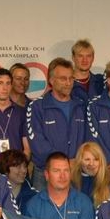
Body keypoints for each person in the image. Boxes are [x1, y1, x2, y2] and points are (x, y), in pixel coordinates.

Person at [26, 58, 87, 189]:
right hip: (45, 174)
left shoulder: (81, 106)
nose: (68, 83)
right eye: (63, 79)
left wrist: (78, 162)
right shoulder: (37, 107)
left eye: (71, 78)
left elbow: (87, 140)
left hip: (74, 172)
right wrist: (64, 164)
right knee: (41, 209)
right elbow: (37, 143)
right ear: (51, 80)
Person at [23, 152, 95, 219]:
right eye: (56, 171)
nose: (62, 176)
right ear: (46, 175)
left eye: (66, 170)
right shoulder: (33, 206)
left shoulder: (84, 203)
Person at [70, 142, 110, 207]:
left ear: (101, 161)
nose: (91, 164)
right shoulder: (71, 182)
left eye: (96, 159)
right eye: (87, 159)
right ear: (80, 161)